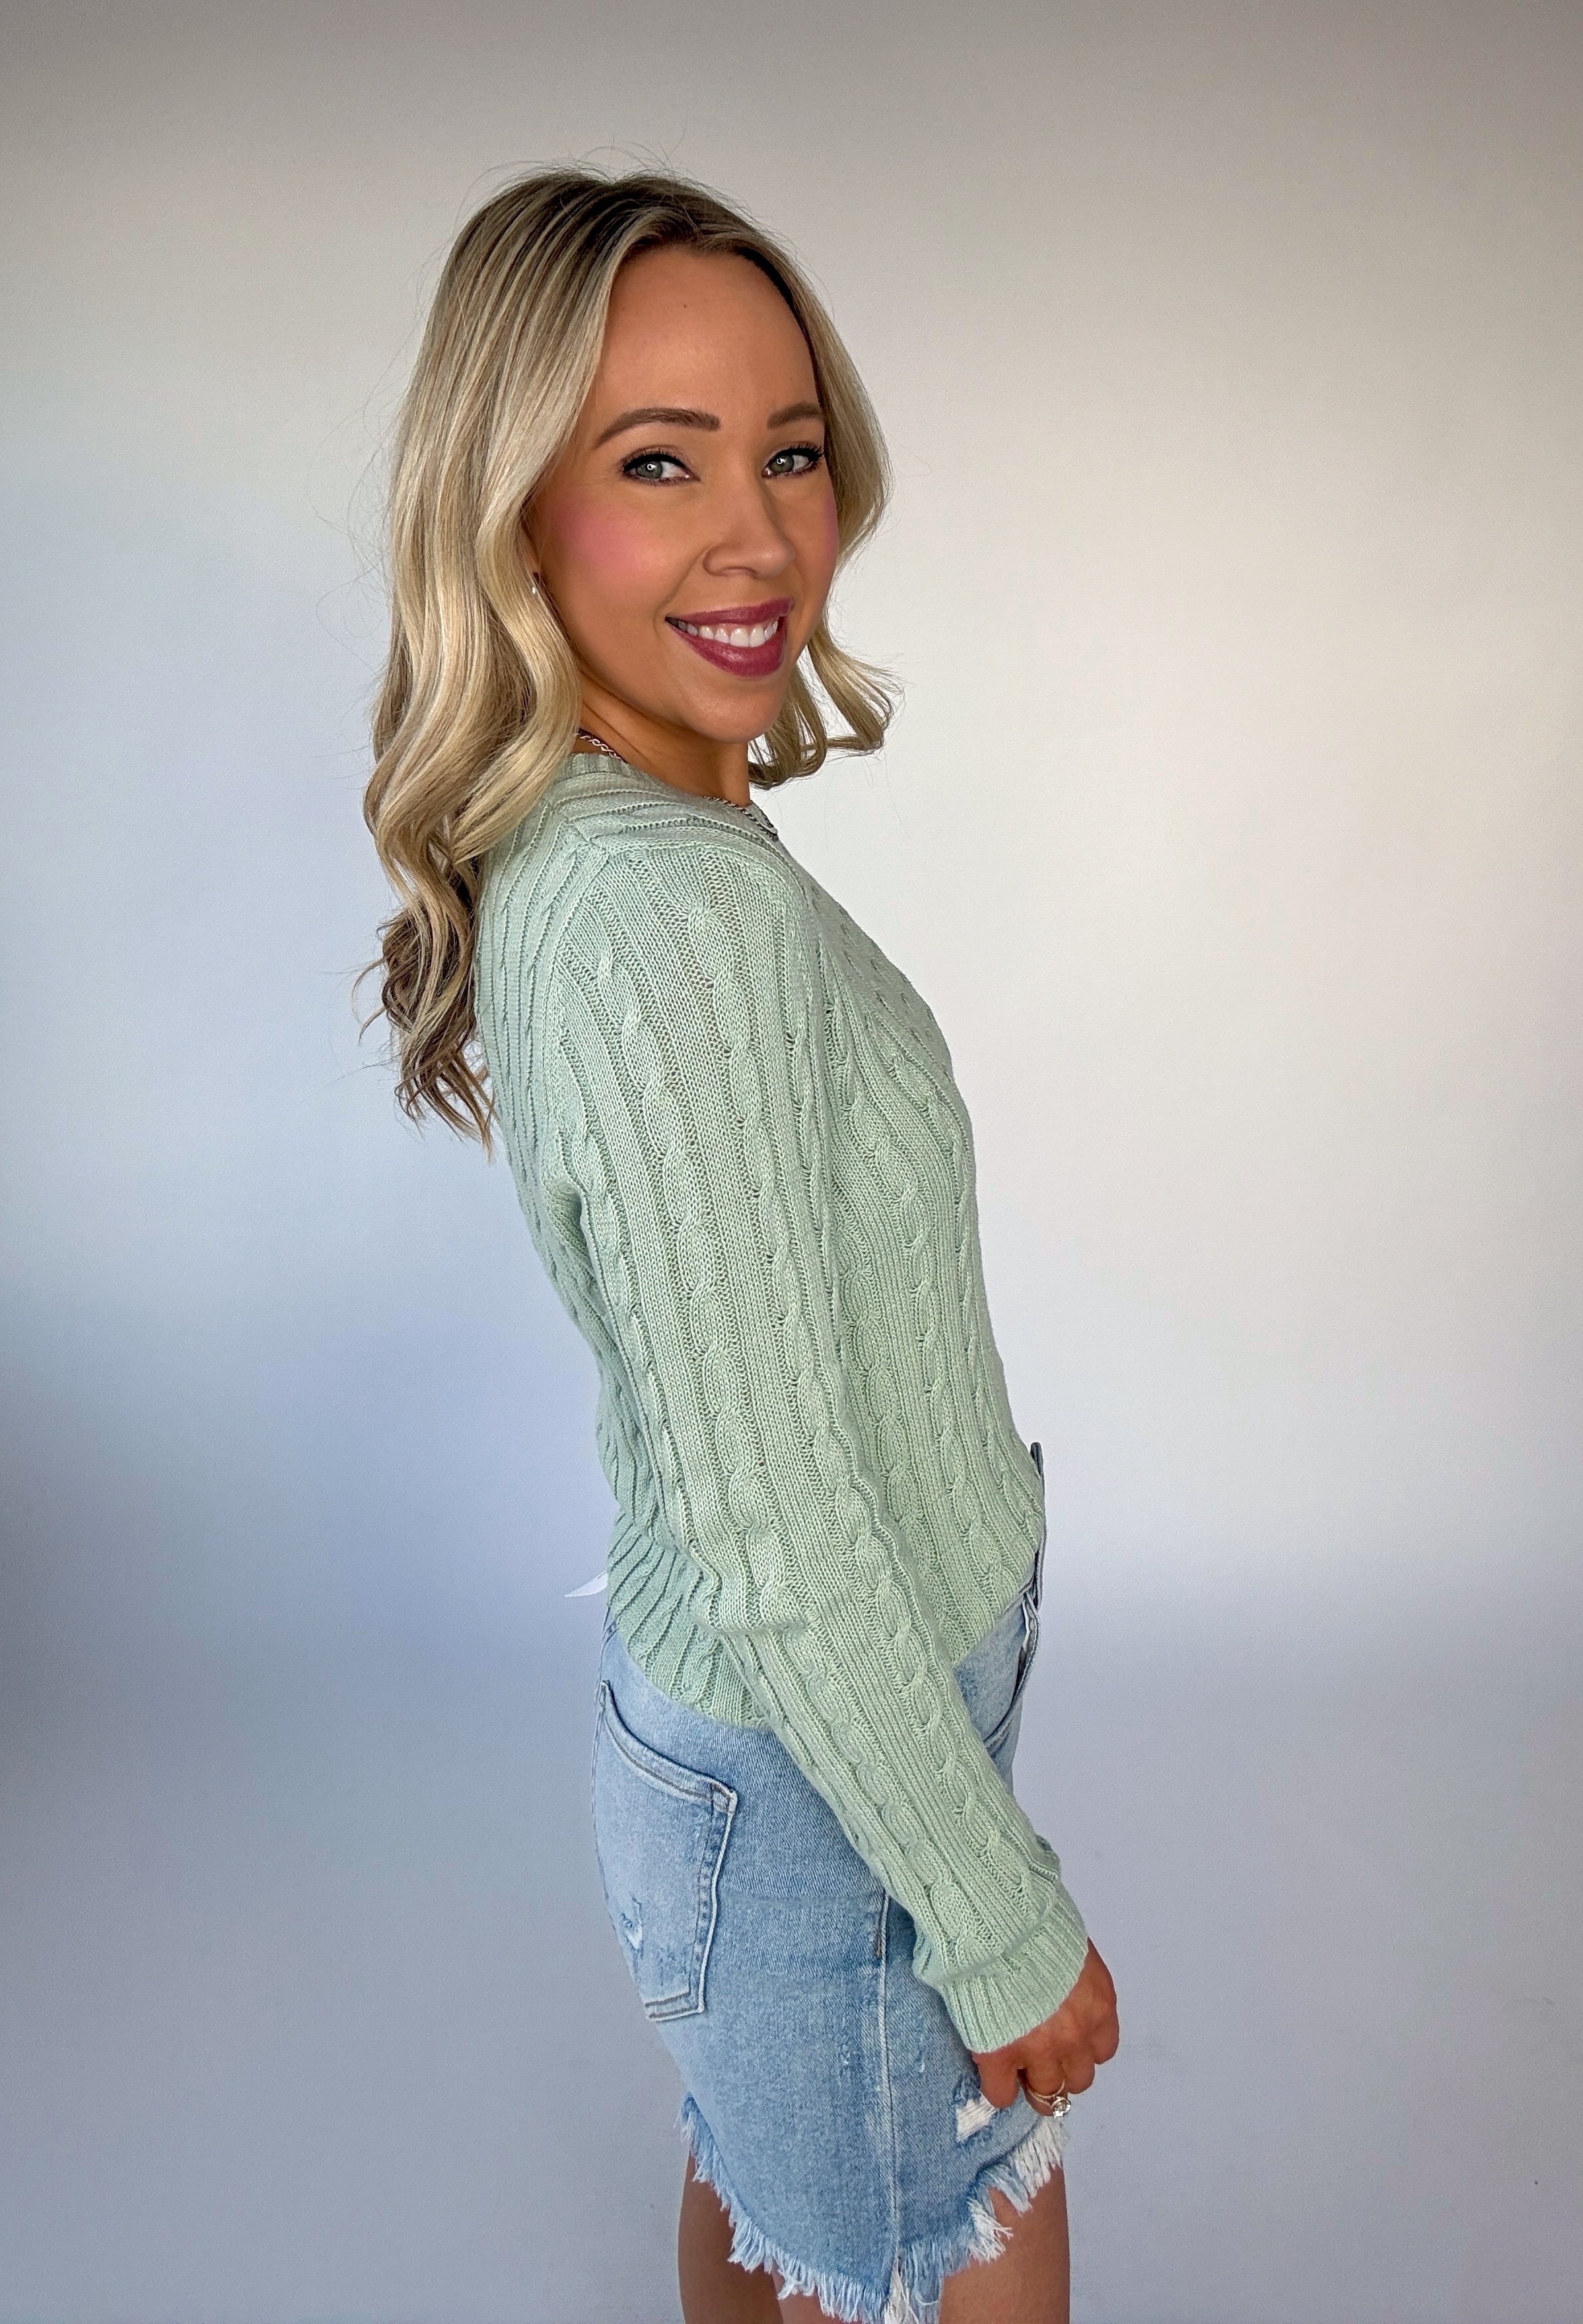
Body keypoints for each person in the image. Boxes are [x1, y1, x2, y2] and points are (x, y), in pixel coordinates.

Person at [363, 166, 1119, 2324]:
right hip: (824, 1794)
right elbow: (774, 1526)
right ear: (514, 513)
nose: (759, 534)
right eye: (656, 463)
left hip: (794, 1760)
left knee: (784, 2209)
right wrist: (999, 1920)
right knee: (921, 2246)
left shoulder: (640, 839)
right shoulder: (664, 911)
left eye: (789, 452)